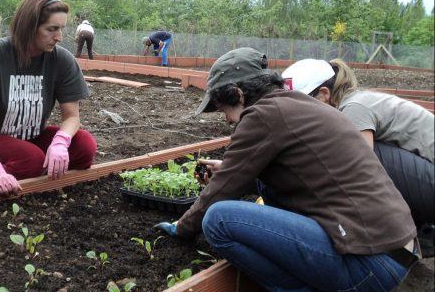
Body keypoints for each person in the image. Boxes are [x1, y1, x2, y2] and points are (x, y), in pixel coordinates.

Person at [155, 47, 420, 291]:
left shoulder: (261, 115)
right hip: (395, 251)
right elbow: (300, 174)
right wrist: (233, 172)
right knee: (265, 191)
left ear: (238, 94)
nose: (226, 120)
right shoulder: (296, 104)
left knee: (217, 219)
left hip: (368, 264)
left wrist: (182, 228)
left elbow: (219, 192)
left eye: (225, 110)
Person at [282, 58, 434, 257]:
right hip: (427, 178)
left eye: (300, 104)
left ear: (323, 94)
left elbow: (361, 176)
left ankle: (398, 245)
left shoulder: (354, 108)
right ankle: (424, 232)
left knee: (359, 159)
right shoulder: (357, 100)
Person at [0, 0, 97, 196]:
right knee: (31, 159)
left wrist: (61, 142)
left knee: (85, 146)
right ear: (29, 27)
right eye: (52, 29)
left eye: (61, 29)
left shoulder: (62, 60)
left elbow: (72, 117)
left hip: (32, 137)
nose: (59, 37)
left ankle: (30, 175)